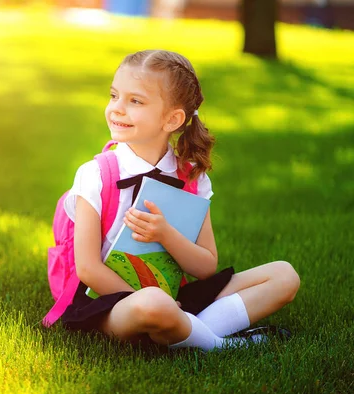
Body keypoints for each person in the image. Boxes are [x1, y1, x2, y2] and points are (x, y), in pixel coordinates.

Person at [59, 50, 300, 352]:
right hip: (114, 304)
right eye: (114, 95)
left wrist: (166, 235)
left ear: (172, 119)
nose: (117, 109)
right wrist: (149, 300)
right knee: (154, 304)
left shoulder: (192, 178)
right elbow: (88, 269)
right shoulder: (95, 174)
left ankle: (183, 331)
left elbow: (206, 266)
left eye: (135, 101)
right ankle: (219, 345)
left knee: (284, 275)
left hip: (175, 296)